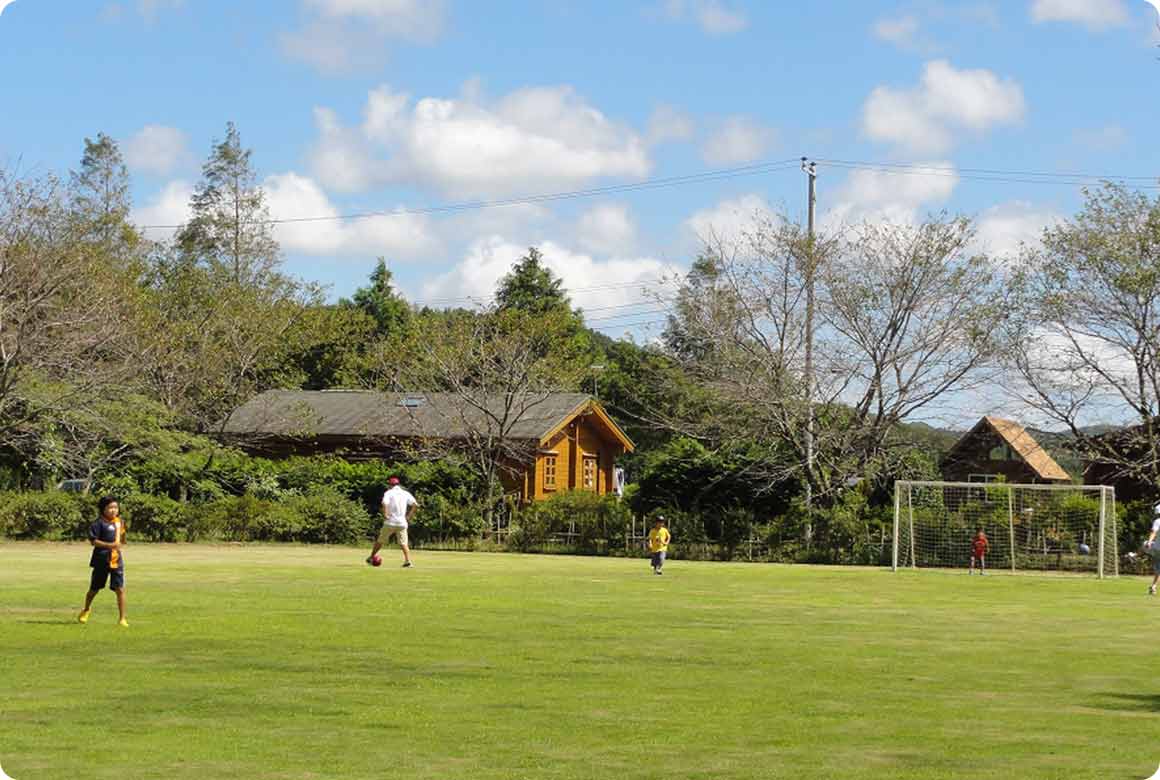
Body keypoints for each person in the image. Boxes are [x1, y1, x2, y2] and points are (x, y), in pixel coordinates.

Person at [78, 496, 128, 627]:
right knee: (94, 589)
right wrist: (110, 545)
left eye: (115, 507)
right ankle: (86, 609)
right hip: (101, 560)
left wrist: (121, 543)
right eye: (110, 507)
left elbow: (122, 538)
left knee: (120, 589)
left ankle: (122, 618)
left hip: (116, 560)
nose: (113, 510)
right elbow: (93, 541)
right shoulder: (98, 523)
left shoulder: (120, 522)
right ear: (103, 509)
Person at [368, 476, 418, 568]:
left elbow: (384, 503)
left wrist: (386, 514)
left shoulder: (389, 492)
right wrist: (409, 516)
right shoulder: (405, 493)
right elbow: (415, 504)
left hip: (390, 522)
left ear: (390, 485)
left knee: (380, 541)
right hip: (402, 523)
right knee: (404, 543)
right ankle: (408, 561)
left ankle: (371, 557)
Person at [1143, 503, 1160, 595]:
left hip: (1157, 549)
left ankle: (1153, 586)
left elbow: (1153, 532)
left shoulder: (1157, 521)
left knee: (1158, 569)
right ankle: (1153, 586)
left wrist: (1149, 542)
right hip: (1157, 549)